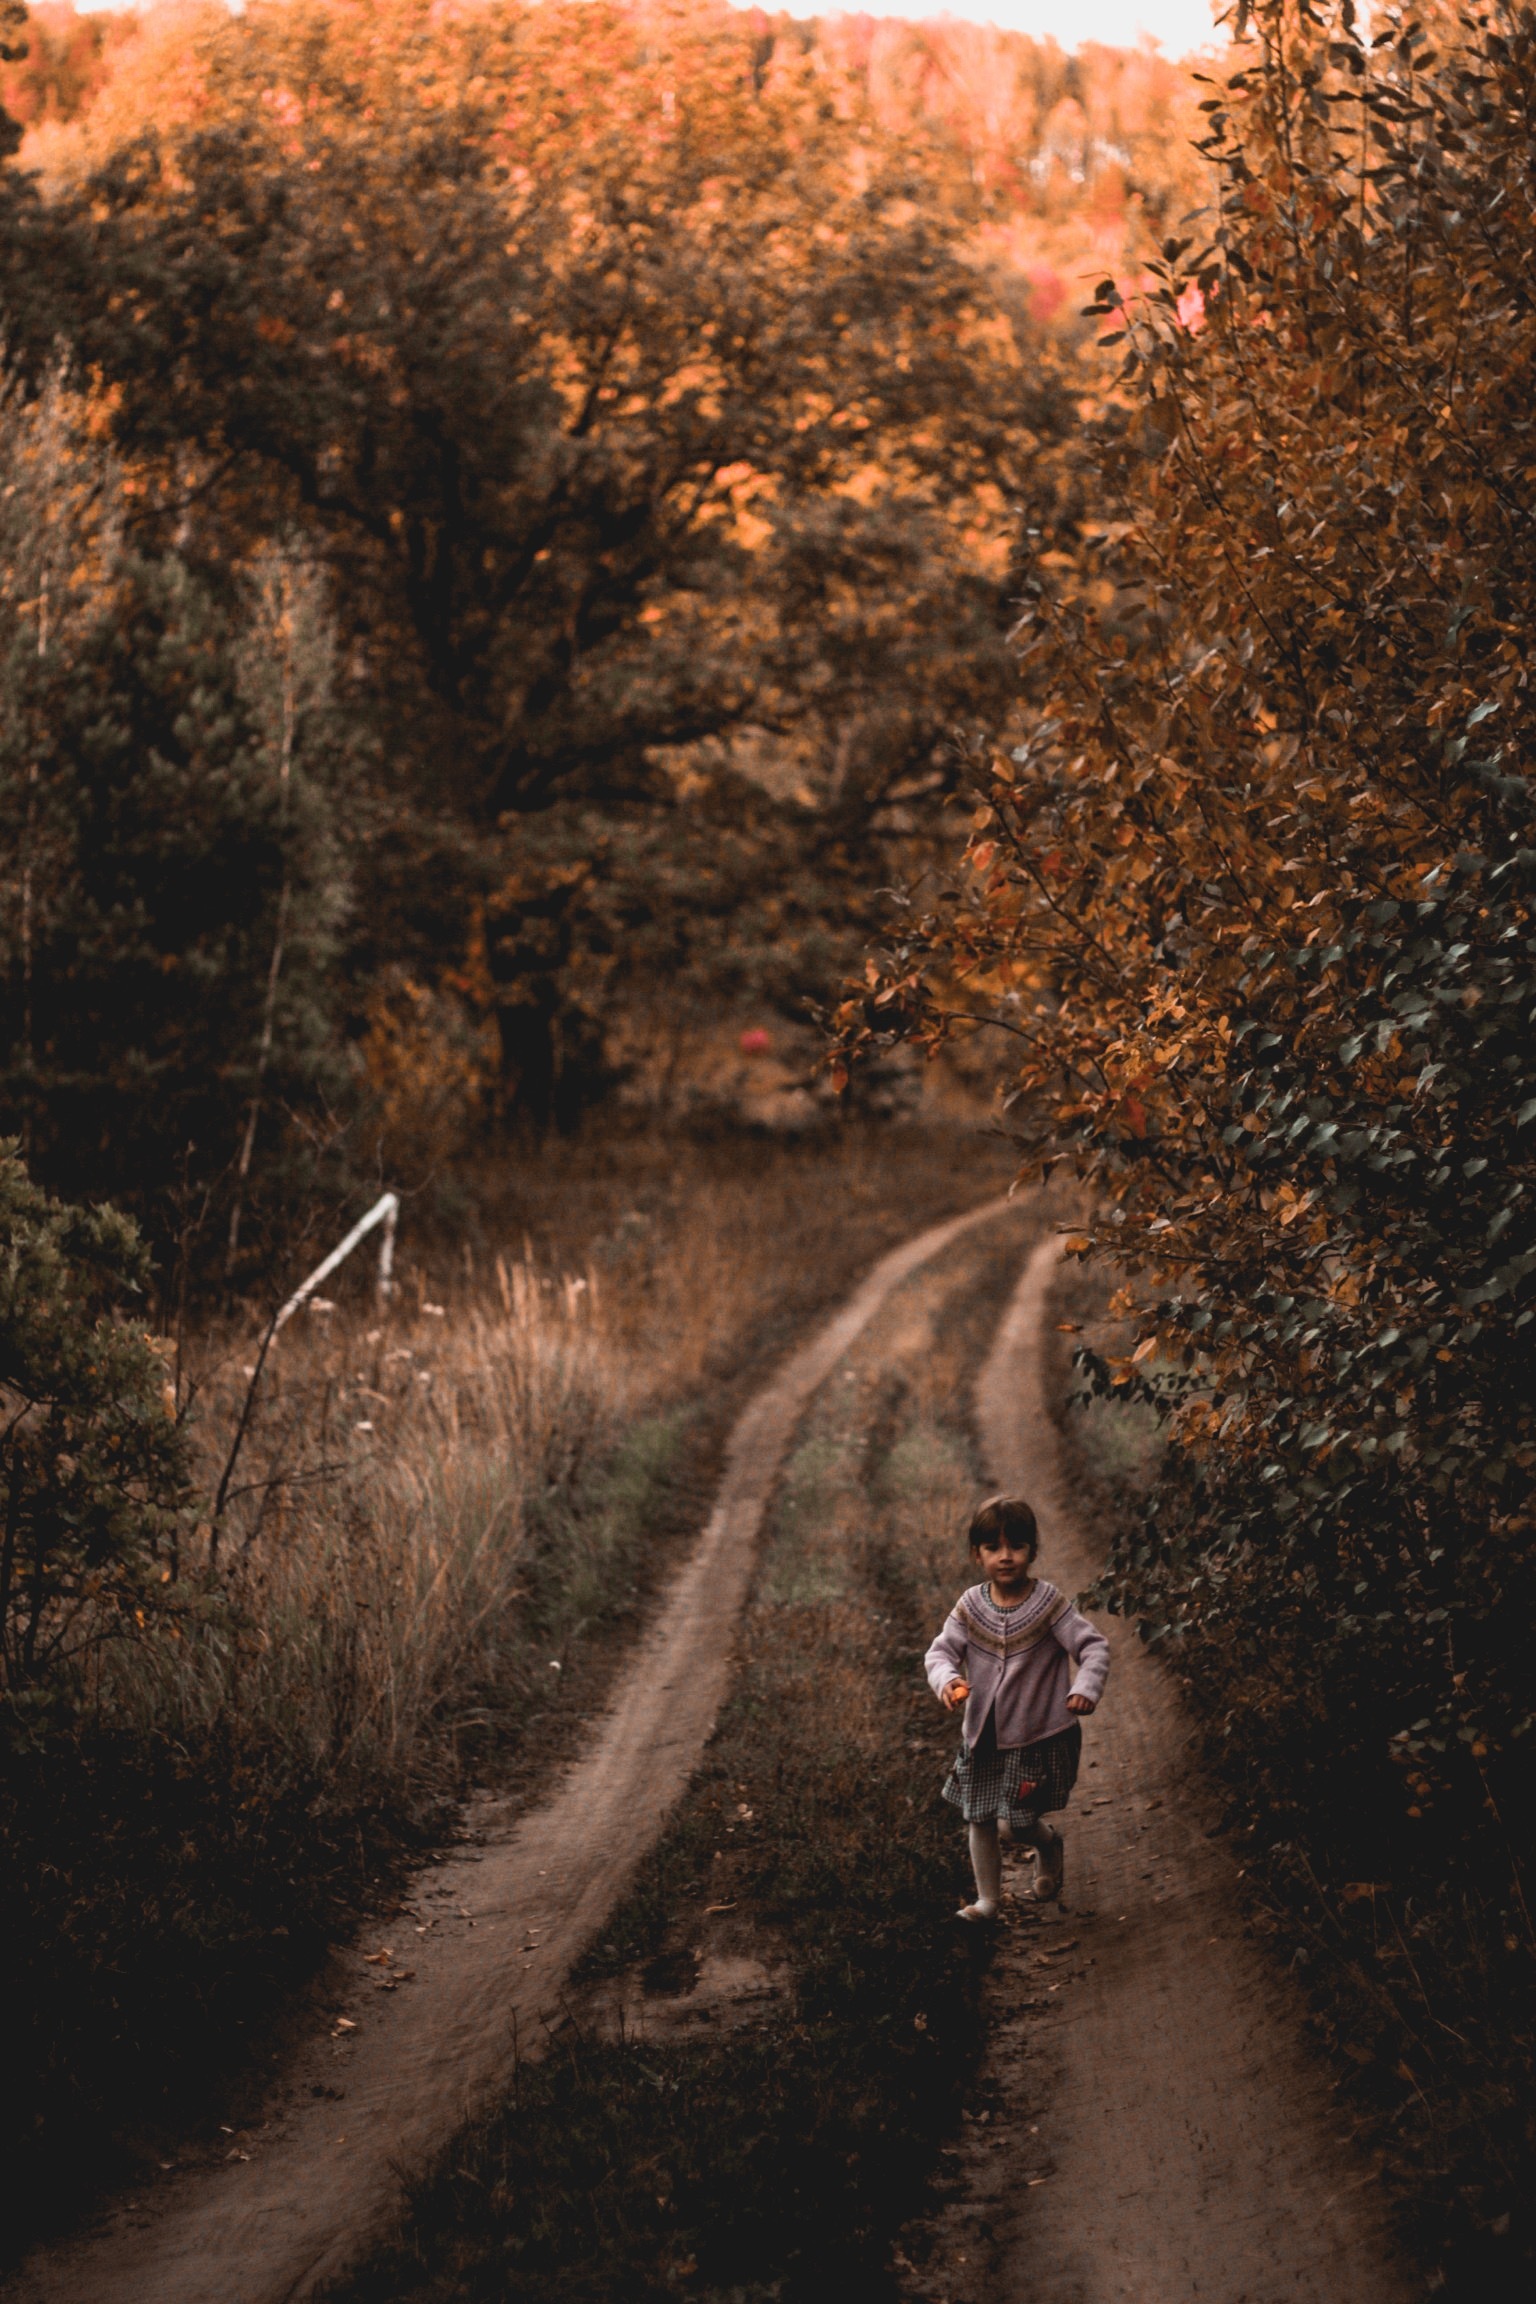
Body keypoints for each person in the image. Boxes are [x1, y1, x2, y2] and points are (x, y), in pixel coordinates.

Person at [924, 1492, 1110, 1922]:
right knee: (981, 1818)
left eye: (1017, 1546)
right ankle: (988, 1901)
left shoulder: (1048, 1604)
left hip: (1034, 1736)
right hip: (982, 1738)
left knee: (1017, 1823)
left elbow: (1094, 1648)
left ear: (1032, 1550)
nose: (1006, 1557)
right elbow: (939, 1655)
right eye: (993, 1548)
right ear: (977, 1554)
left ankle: (1048, 1845)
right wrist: (948, 1681)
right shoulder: (970, 1607)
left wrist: (1086, 1686)